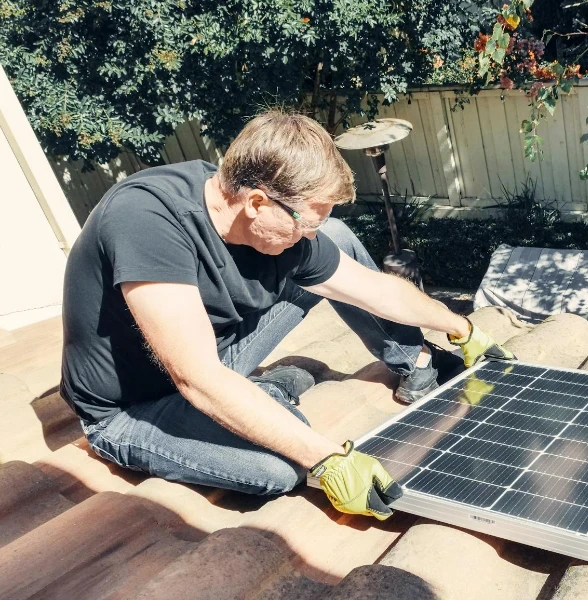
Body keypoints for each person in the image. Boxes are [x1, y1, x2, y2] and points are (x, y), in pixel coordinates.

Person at [60, 110, 514, 520]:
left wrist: (462, 327)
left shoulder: (283, 230)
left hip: (217, 354)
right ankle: (265, 392)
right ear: (257, 202)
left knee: (337, 239)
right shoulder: (148, 220)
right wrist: (329, 458)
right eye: (306, 220)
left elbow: (376, 290)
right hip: (133, 406)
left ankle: (416, 366)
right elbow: (195, 376)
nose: (308, 235)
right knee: (282, 467)